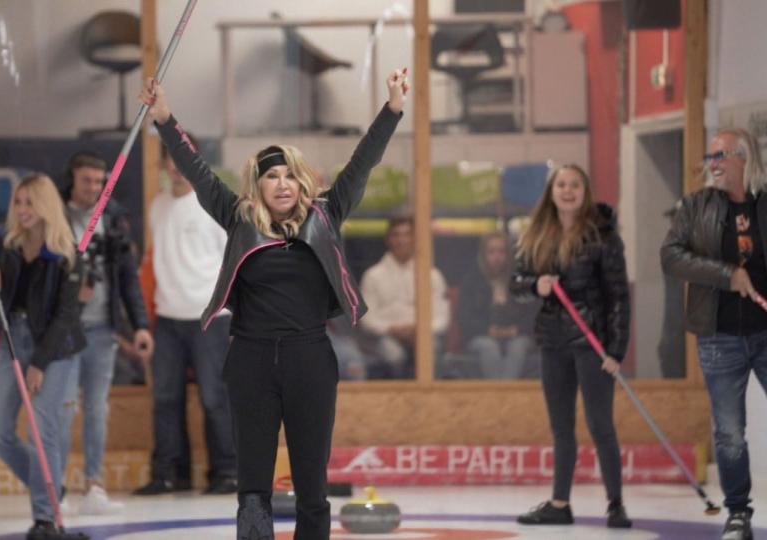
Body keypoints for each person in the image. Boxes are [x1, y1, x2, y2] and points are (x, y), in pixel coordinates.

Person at [140, 66, 407, 539]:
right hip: (250, 359)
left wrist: (391, 110)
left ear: (303, 183)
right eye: (271, 177)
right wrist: (164, 118)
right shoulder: (238, 218)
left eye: (290, 176)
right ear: (257, 185)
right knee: (253, 487)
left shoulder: (328, 214)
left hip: (310, 359)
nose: (282, 184)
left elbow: (363, 161)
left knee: (311, 484)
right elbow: (197, 172)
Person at [510, 164, 632, 529]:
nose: (567, 191)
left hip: (592, 344)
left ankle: (616, 504)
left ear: (585, 191)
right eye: (561, 185)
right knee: (561, 426)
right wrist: (537, 286)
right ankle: (560, 503)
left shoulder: (602, 236)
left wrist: (615, 351)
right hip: (553, 341)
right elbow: (517, 281)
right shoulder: (538, 233)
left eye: (574, 185)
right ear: (552, 191)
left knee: (600, 424)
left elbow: (618, 297)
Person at [660, 127, 767, 540]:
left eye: (721, 155)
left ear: (745, 156)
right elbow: (671, 257)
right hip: (720, 336)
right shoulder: (696, 206)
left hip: (765, 331)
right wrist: (726, 275)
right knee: (728, 432)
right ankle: (738, 513)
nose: (713, 164)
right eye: (710, 157)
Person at [0, 174, 86, 540]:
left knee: (43, 428)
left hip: (56, 348)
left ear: (45, 206)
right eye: (18, 203)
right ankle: (52, 487)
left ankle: (45, 517)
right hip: (13, 339)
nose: (22, 210)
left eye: (29, 202)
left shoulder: (67, 254)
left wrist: (39, 363)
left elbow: (66, 316)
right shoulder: (7, 244)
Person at [133, 136, 238, 496]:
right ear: (164, 165)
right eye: (171, 160)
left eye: (184, 159)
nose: (176, 167)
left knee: (214, 397)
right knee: (164, 397)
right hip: (167, 317)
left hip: (210, 316)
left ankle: (226, 473)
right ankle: (168, 475)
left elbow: (235, 262)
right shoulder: (157, 206)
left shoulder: (214, 205)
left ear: (196, 162)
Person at [61, 151, 153, 513]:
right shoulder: (57, 215)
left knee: (97, 408)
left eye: (100, 182)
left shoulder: (112, 219)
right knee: (64, 408)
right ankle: (58, 487)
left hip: (103, 330)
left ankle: (94, 484)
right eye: (87, 180)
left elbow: (128, 277)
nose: (94, 188)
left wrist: (141, 326)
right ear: (72, 178)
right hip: (64, 331)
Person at [359, 216, 450, 378]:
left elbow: (442, 317)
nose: (402, 240)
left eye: (407, 234)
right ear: (388, 240)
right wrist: (391, 329)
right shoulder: (372, 276)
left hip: (423, 335)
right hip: (386, 338)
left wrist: (421, 330)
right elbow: (366, 319)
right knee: (393, 354)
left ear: (415, 239)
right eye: (396, 235)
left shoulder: (432, 275)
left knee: (430, 349)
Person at [458, 232, 537, 379]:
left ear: (509, 255)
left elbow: (533, 316)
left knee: (517, 346)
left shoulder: (520, 281)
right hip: (481, 336)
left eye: (501, 251)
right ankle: (502, 396)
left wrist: (515, 330)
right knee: (489, 347)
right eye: (491, 252)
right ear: (483, 255)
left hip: (518, 336)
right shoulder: (471, 281)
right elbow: (464, 318)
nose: (497, 257)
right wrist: (489, 330)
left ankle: (505, 396)